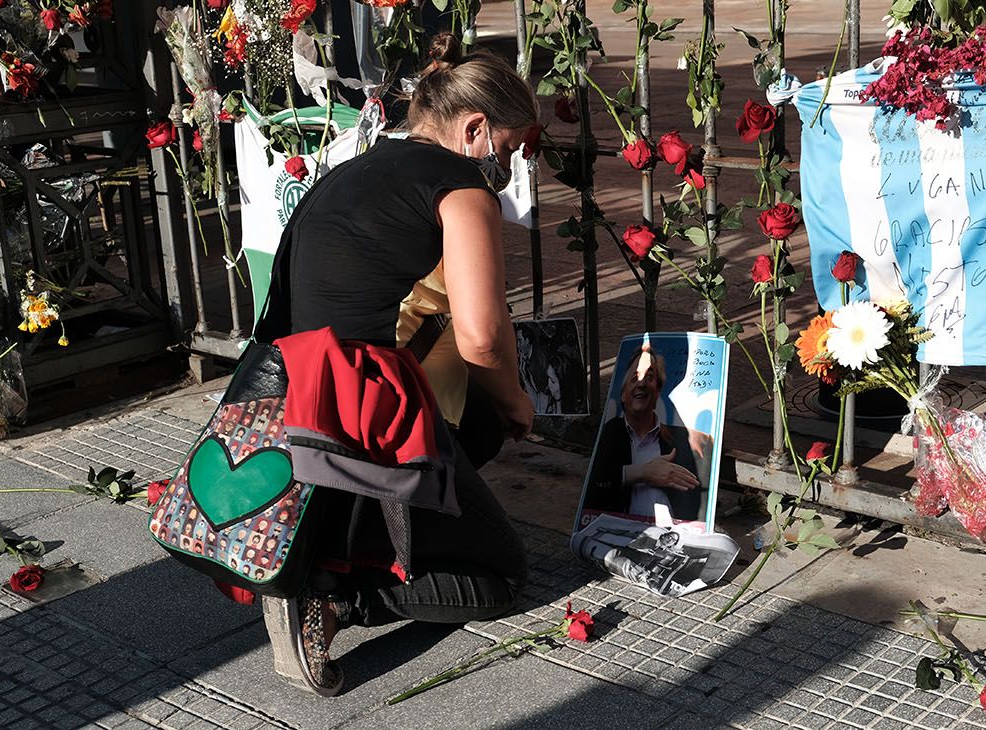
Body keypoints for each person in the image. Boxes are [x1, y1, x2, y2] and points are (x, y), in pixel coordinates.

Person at [254, 33, 539, 696]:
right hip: (370, 412)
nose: (509, 164)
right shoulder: (462, 188)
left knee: (478, 426)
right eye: (508, 147)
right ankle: (333, 600)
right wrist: (517, 399)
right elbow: (482, 341)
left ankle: (352, 548)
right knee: (501, 578)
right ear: (474, 127)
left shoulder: (353, 169)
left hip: (300, 405)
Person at [586, 345, 709, 523]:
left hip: (674, 537)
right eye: (635, 378)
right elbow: (595, 482)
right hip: (619, 533)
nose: (641, 383)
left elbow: (700, 496)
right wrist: (643, 472)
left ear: (658, 391)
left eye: (649, 377)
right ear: (622, 394)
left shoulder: (683, 439)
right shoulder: (609, 432)